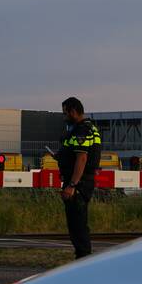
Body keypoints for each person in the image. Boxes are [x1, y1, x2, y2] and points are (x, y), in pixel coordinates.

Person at [58, 97, 101, 259]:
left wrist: (72, 185)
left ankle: (83, 258)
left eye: (65, 113)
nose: (64, 117)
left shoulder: (81, 130)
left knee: (77, 224)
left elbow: (82, 158)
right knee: (79, 222)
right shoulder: (91, 128)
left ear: (73, 111)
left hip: (79, 183)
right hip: (83, 181)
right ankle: (82, 256)